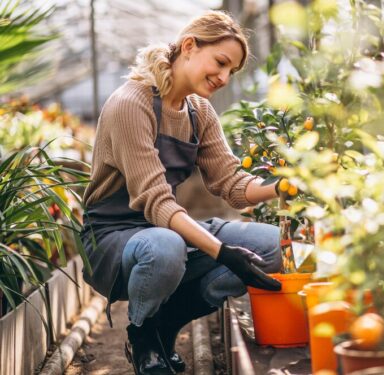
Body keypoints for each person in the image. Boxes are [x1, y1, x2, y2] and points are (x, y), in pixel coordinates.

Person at [80, 10, 284, 375]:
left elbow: (233, 186)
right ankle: (142, 337)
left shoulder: (199, 112)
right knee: (166, 248)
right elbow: (158, 203)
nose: (223, 78)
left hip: (166, 230)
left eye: (231, 72)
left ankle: (165, 325)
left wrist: (282, 186)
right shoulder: (131, 104)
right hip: (113, 238)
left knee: (271, 245)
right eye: (220, 63)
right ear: (189, 46)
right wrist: (222, 252)